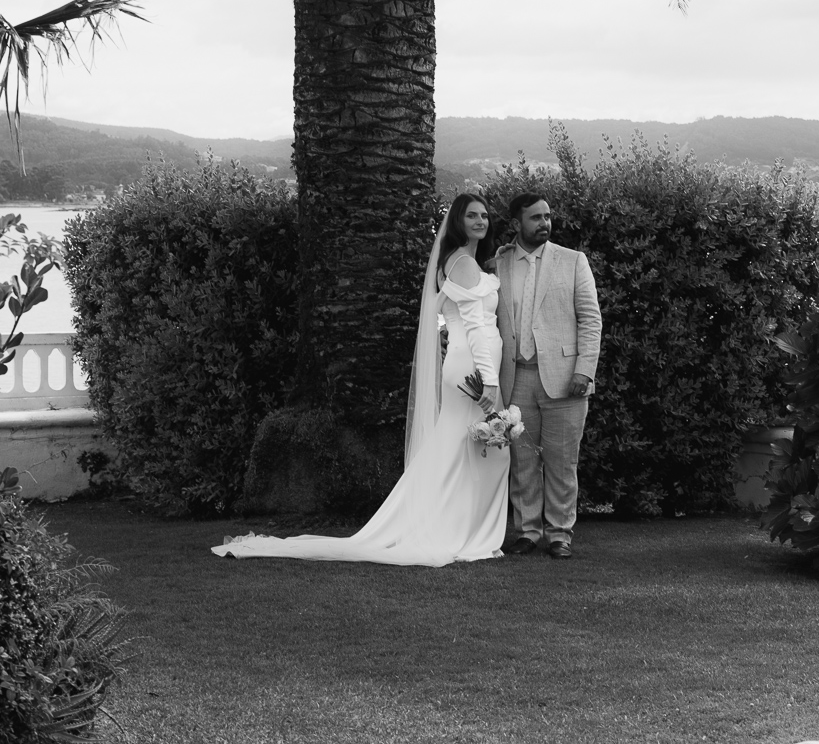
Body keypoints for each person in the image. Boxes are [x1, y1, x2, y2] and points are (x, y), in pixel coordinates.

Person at [211, 194, 510, 567]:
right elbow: (479, 328)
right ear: (458, 221)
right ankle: (460, 533)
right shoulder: (464, 264)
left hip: (465, 365)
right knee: (479, 451)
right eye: (472, 215)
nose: (480, 221)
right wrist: (491, 381)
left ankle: (451, 526)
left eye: (484, 215)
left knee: (459, 450)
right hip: (474, 370)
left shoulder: (460, 261)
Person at [495, 195, 602, 560]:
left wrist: (584, 369)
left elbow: (590, 319)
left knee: (561, 461)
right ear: (517, 223)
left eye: (548, 216)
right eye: (535, 217)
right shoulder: (499, 262)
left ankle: (560, 535)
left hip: (564, 377)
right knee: (522, 462)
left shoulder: (573, 261)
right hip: (516, 376)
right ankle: (527, 532)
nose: (545, 223)